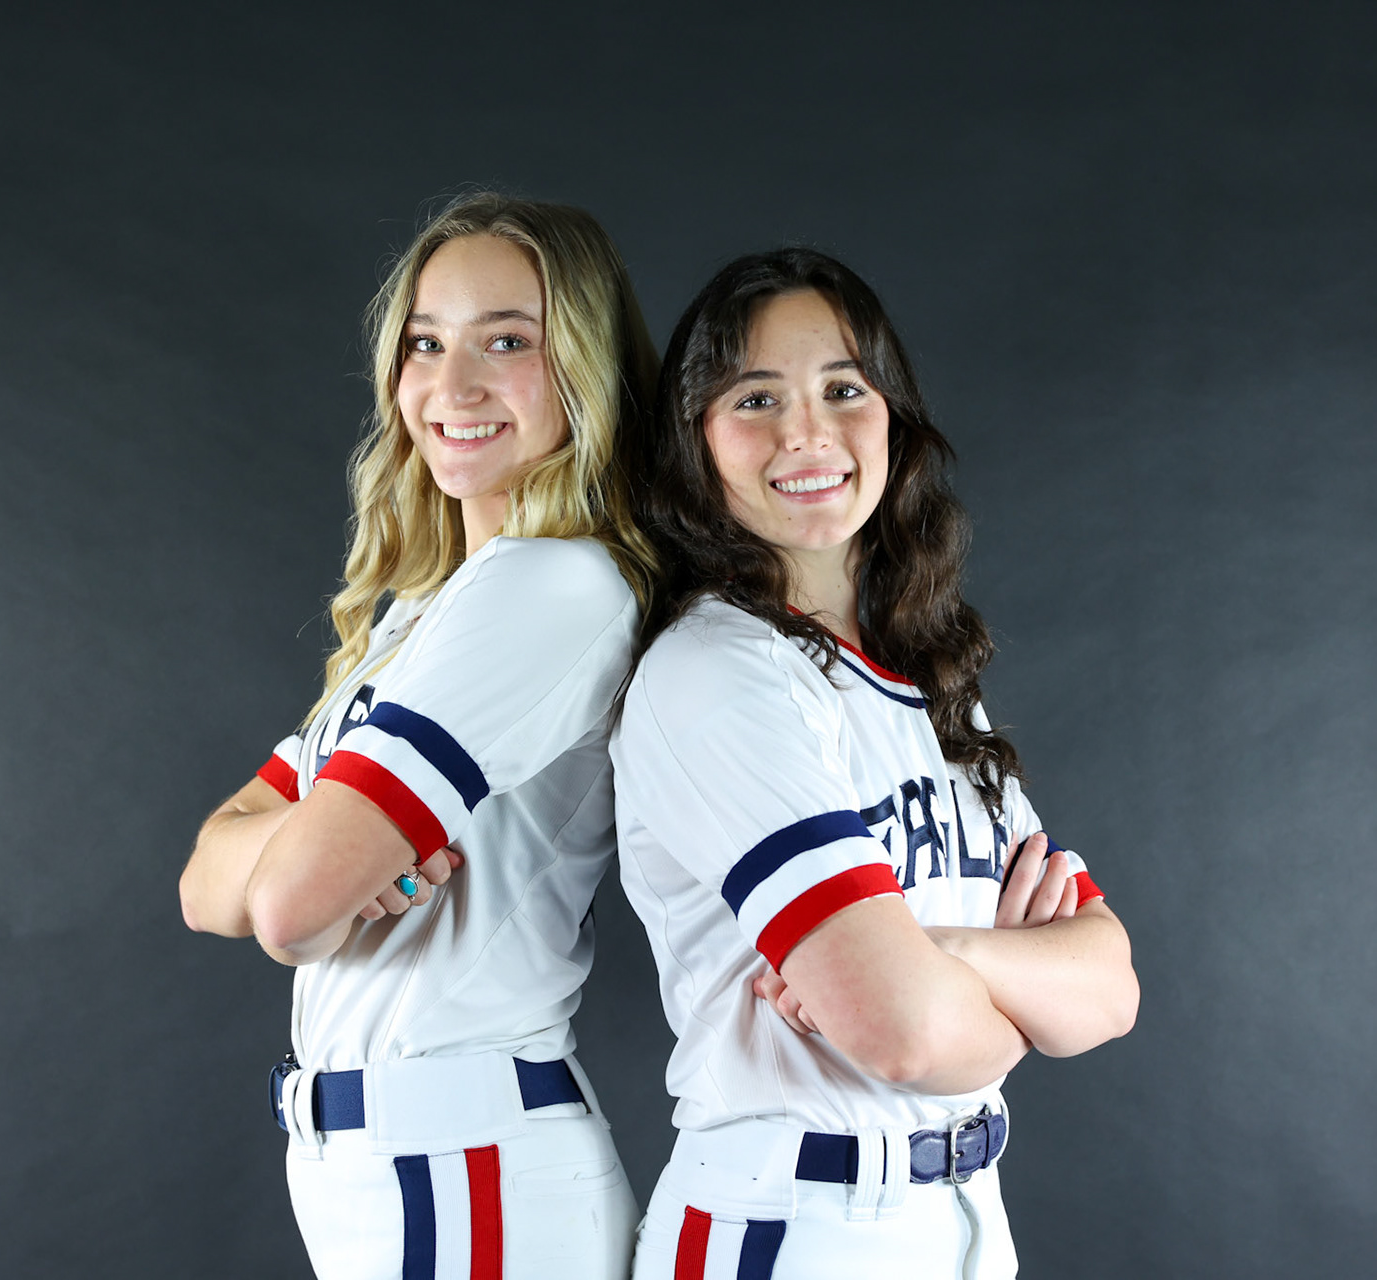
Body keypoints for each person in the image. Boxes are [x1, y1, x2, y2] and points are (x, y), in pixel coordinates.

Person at [611, 248, 1140, 1279]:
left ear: (892, 414)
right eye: (756, 397)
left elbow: (1110, 986)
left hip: (961, 1217)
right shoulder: (716, 673)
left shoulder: (930, 670)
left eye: (843, 388)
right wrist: (1000, 998)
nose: (807, 430)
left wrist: (957, 955)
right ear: (696, 442)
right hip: (795, 1222)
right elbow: (903, 1033)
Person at [179, 191, 657, 1280]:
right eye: (426, 343)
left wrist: (306, 863)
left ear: (586, 365)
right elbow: (208, 881)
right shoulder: (424, 610)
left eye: (509, 341)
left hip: (465, 1167)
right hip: (400, 1162)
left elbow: (290, 911)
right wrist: (315, 848)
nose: (454, 385)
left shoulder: (551, 584)